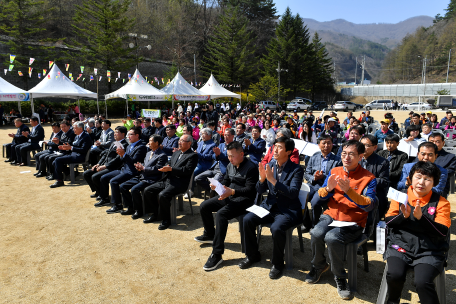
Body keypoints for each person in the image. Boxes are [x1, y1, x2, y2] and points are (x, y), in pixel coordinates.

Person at [305, 140, 377, 300]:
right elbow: (317, 200)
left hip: (353, 220)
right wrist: (328, 188)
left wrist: (349, 191)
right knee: (316, 233)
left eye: (352, 154)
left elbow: (370, 204)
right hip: (331, 215)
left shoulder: (369, 178)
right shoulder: (335, 171)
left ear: (360, 156)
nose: (347, 157)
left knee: (331, 238)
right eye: (344, 153)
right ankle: (319, 265)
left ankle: (339, 276)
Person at [384, 161, 451, 304]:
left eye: (427, 179)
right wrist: (404, 216)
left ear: (434, 183)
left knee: (422, 282)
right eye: (418, 176)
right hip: (400, 245)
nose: (421, 182)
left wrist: (422, 218)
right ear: (410, 178)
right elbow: (389, 221)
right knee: (394, 274)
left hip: (429, 249)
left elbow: (442, 232)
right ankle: (393, 300)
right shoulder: (401, 196)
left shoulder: (441, 202)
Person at [240, 137, 304, 279]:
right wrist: (262, 179)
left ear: (288, 151)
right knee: (248, 219)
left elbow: (293, 193)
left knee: (276, 228)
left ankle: (277, 263)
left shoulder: (297, 169)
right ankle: (252, 255)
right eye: (275, 146)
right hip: (269, 206)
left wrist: (273, 180)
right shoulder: (270, 164)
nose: (275, 149)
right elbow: (260, 190)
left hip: (287, 209)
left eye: (280, 147)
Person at [195, 141, 259, 271]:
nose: (230, 159)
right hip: (229, 195)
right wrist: (218, 186)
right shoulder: (230, 164)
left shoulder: (251, 167)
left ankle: (217, 254)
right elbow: (226, 180)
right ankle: (210, 234)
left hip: (244, 200)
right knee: (204, 206)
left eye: (232, 156)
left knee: (221, 214)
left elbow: (251, 190)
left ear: (241, 154)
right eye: (228, 156)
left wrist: (233, 191)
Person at [142, 134, 198, 229]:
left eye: (182, 141)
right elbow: (169, 163)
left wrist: (171, 169)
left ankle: (166, 219)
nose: (179, 143)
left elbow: (186, 171)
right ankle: (156, 214)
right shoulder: (176, 153)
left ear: (189, 143)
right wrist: (165, 168)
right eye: (179, 140)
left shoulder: (192, 156)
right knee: (148, 190)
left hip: (179, 183)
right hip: (168, 180)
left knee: (163, 195)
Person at [96, 127, 148, 213]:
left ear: (137, 135)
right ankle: (104, 198)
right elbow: (123, 159)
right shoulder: (130, 145)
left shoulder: (141, 147)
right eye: (128, 134)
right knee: (104, 177)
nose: (128, 136)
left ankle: (118, 205)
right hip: (124, 169)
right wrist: (121, 155)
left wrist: (123, 154)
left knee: (114, 181)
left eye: (131, 134)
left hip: (132, 171)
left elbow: (135, 161)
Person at [119, 135, 167, 217]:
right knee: (123, 186)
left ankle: (139, 210)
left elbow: (157, 169)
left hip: (151, 179)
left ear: (157, 143)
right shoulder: (148, 153)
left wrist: (144, 168)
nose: (149, 143)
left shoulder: (162, 155)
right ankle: (130, 207)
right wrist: (140, 167)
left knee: (134, 189)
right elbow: (145, 165)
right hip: (142, 176)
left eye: (151, 141)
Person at [304, 134, 342, 227]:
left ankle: (315, 225)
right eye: (323, 143)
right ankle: (306, 223)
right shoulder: (314, 157)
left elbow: (337, 177)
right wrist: (314, 178)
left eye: (329, 143)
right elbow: (306, 173)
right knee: (300, 196)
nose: (326, 145)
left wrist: (323, 177)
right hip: (313, 185)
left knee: (315, 202)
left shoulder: (338, 160)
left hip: (327, 187)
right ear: (318, 145)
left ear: (332, 144)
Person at [84, 126, 129, 200]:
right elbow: (106, 154)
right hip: (106, 165)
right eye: (114, 132)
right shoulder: (114, 142)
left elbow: (117, 159)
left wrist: (105, 166)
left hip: (114, 167)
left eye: (117, 132)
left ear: (123, 134)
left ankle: (104, 197)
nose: (114, 134)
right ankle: (99, 192)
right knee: (87, 173)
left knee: (96, 176)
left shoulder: (124, 145)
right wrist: (99, 164)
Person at [50, 122, 92, 188]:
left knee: (58, 160)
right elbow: (73, 145)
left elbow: (83, 150)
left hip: (80, 156)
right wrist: (66, 147)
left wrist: (71, 148)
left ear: (81, 129)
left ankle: (59, 180)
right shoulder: (77, 136)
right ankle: (70, 173)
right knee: (54, 162)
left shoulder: (86, 137)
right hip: (73, 154)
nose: (73, 130)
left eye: (75, 128)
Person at [360, 135, 390, 219]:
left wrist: (366, 180)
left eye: (367, 145)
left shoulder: (383, 162)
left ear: (375, 147)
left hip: (374, 193)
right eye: (361, 145)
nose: (363, 147)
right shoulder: (356, 158)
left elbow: (384, 181)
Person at [429, 133, 456, 198]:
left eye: (437, 142)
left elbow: (450, 172)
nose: (434, 144)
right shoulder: (423, 155)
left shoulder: (451, 157)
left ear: (443, 143)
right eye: (431, 141)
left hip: (440, 186)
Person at [190, 128, 217, 195]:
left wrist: (198, 154)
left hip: (205, 165)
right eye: (201, 134)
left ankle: (191, 190)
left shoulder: (213, 145)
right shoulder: (201, 142)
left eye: (203, 134)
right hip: (197, 162)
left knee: (192, 172)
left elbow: (210, 157)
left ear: (209, 135)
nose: (202, 136)